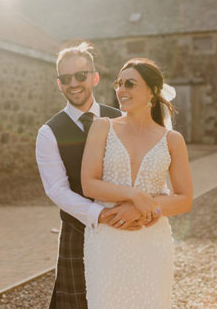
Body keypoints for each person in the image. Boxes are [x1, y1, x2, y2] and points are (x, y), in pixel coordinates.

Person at [35, 42, 148, 308]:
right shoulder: (48, 133)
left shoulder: (121, 119)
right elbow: (57, 190)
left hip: (124, 229)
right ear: (59, 84)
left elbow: (139, 171)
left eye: (81, 75)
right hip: (78, 232)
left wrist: (131, 209)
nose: (74, 83)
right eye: (66, 78)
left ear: (94, 78)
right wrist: (101, 216)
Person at [81, 57, 194, 308]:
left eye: (130, 84)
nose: (121, 90)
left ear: (152, 90)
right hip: (107, 238)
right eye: (119, 84)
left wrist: (143, 208)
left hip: (151, 240)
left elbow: (185, 199)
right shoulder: (102, 127)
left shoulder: (172, 140)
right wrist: (135, 195)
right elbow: (89, 184)